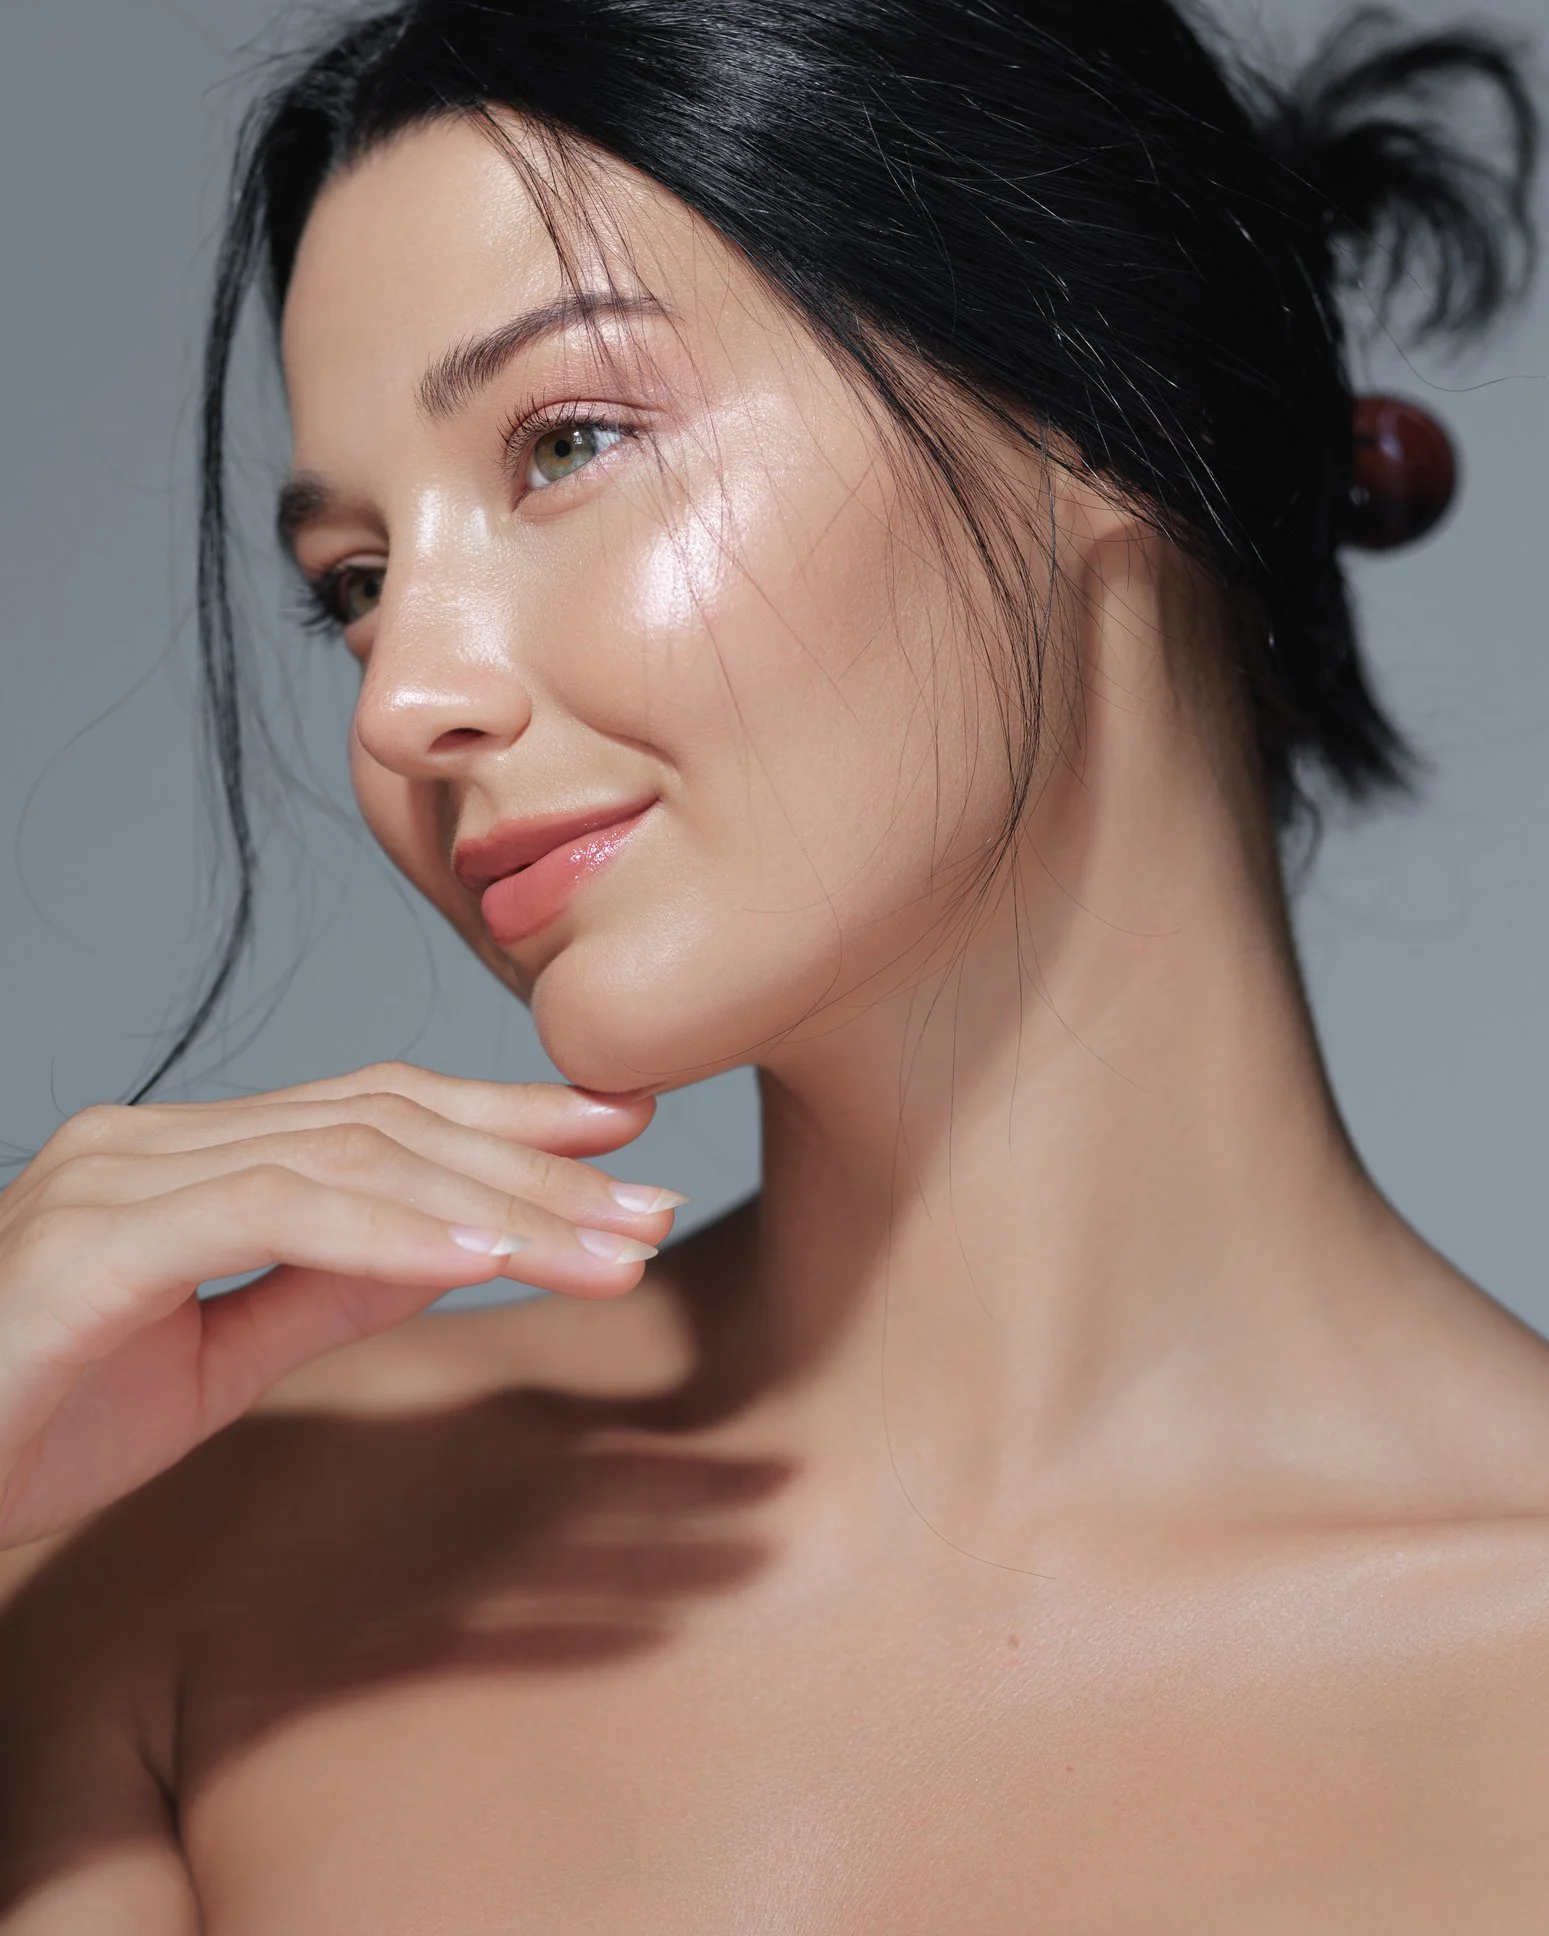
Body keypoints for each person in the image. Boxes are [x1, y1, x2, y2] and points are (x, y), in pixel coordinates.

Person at [0, 0, 1542, 1924]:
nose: (404, 701)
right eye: (359, 585)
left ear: (1101, 391)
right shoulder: (185, 1559)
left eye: (567, 443)